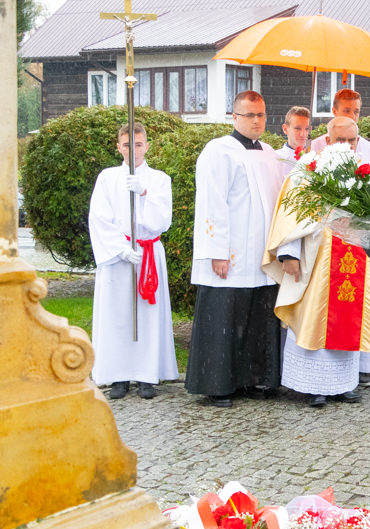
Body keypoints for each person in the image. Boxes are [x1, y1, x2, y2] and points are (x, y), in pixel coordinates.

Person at [263, 117, 370, 408]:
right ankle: (312, 385)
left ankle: (343, 384)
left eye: (352, 140)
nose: (347, 145)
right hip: (317, 257)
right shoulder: (308, 170)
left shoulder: (365, 174)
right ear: (328, 141)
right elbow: (292, 212)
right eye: (340, 140)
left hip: (353, 255)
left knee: (349, 319)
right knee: (313, 318)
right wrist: (289, 254)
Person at [185, 91, 284, 407]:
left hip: (261, 255)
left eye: (261, 115)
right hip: (230, 254)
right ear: (235, 117)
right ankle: (218, 384)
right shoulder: (218, 151)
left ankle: (253, 379)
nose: (256, 121)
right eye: (249, 115)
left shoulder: (269, 153)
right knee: (224, 317)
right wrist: (216, 251)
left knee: (257, 316)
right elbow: (212, 203)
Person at [89, 122, 178, 399]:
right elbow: (99, 217)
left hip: (147, 252)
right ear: (119, 147)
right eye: (127, 145)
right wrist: (119, 247)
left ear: (147, 146)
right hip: (119, 255)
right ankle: (118, 375)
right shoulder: (106, 178)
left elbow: (163, 220)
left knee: (147, 315)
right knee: (118, 316)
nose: (133, 150)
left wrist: (144, 193)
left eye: (138, 144)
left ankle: (146, 374)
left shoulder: (160, 179)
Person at [310, 88, 370, 164]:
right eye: (347, 111)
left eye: (356, 112)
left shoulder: (369, 149)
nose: (352, 116)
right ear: (334, 111)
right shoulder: (314, 147)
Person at [275, 106, 311, 177]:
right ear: (285, 129)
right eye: (298, 128)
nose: (303, 134)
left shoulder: (316, 158)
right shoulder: (276, 159)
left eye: (307, 129)